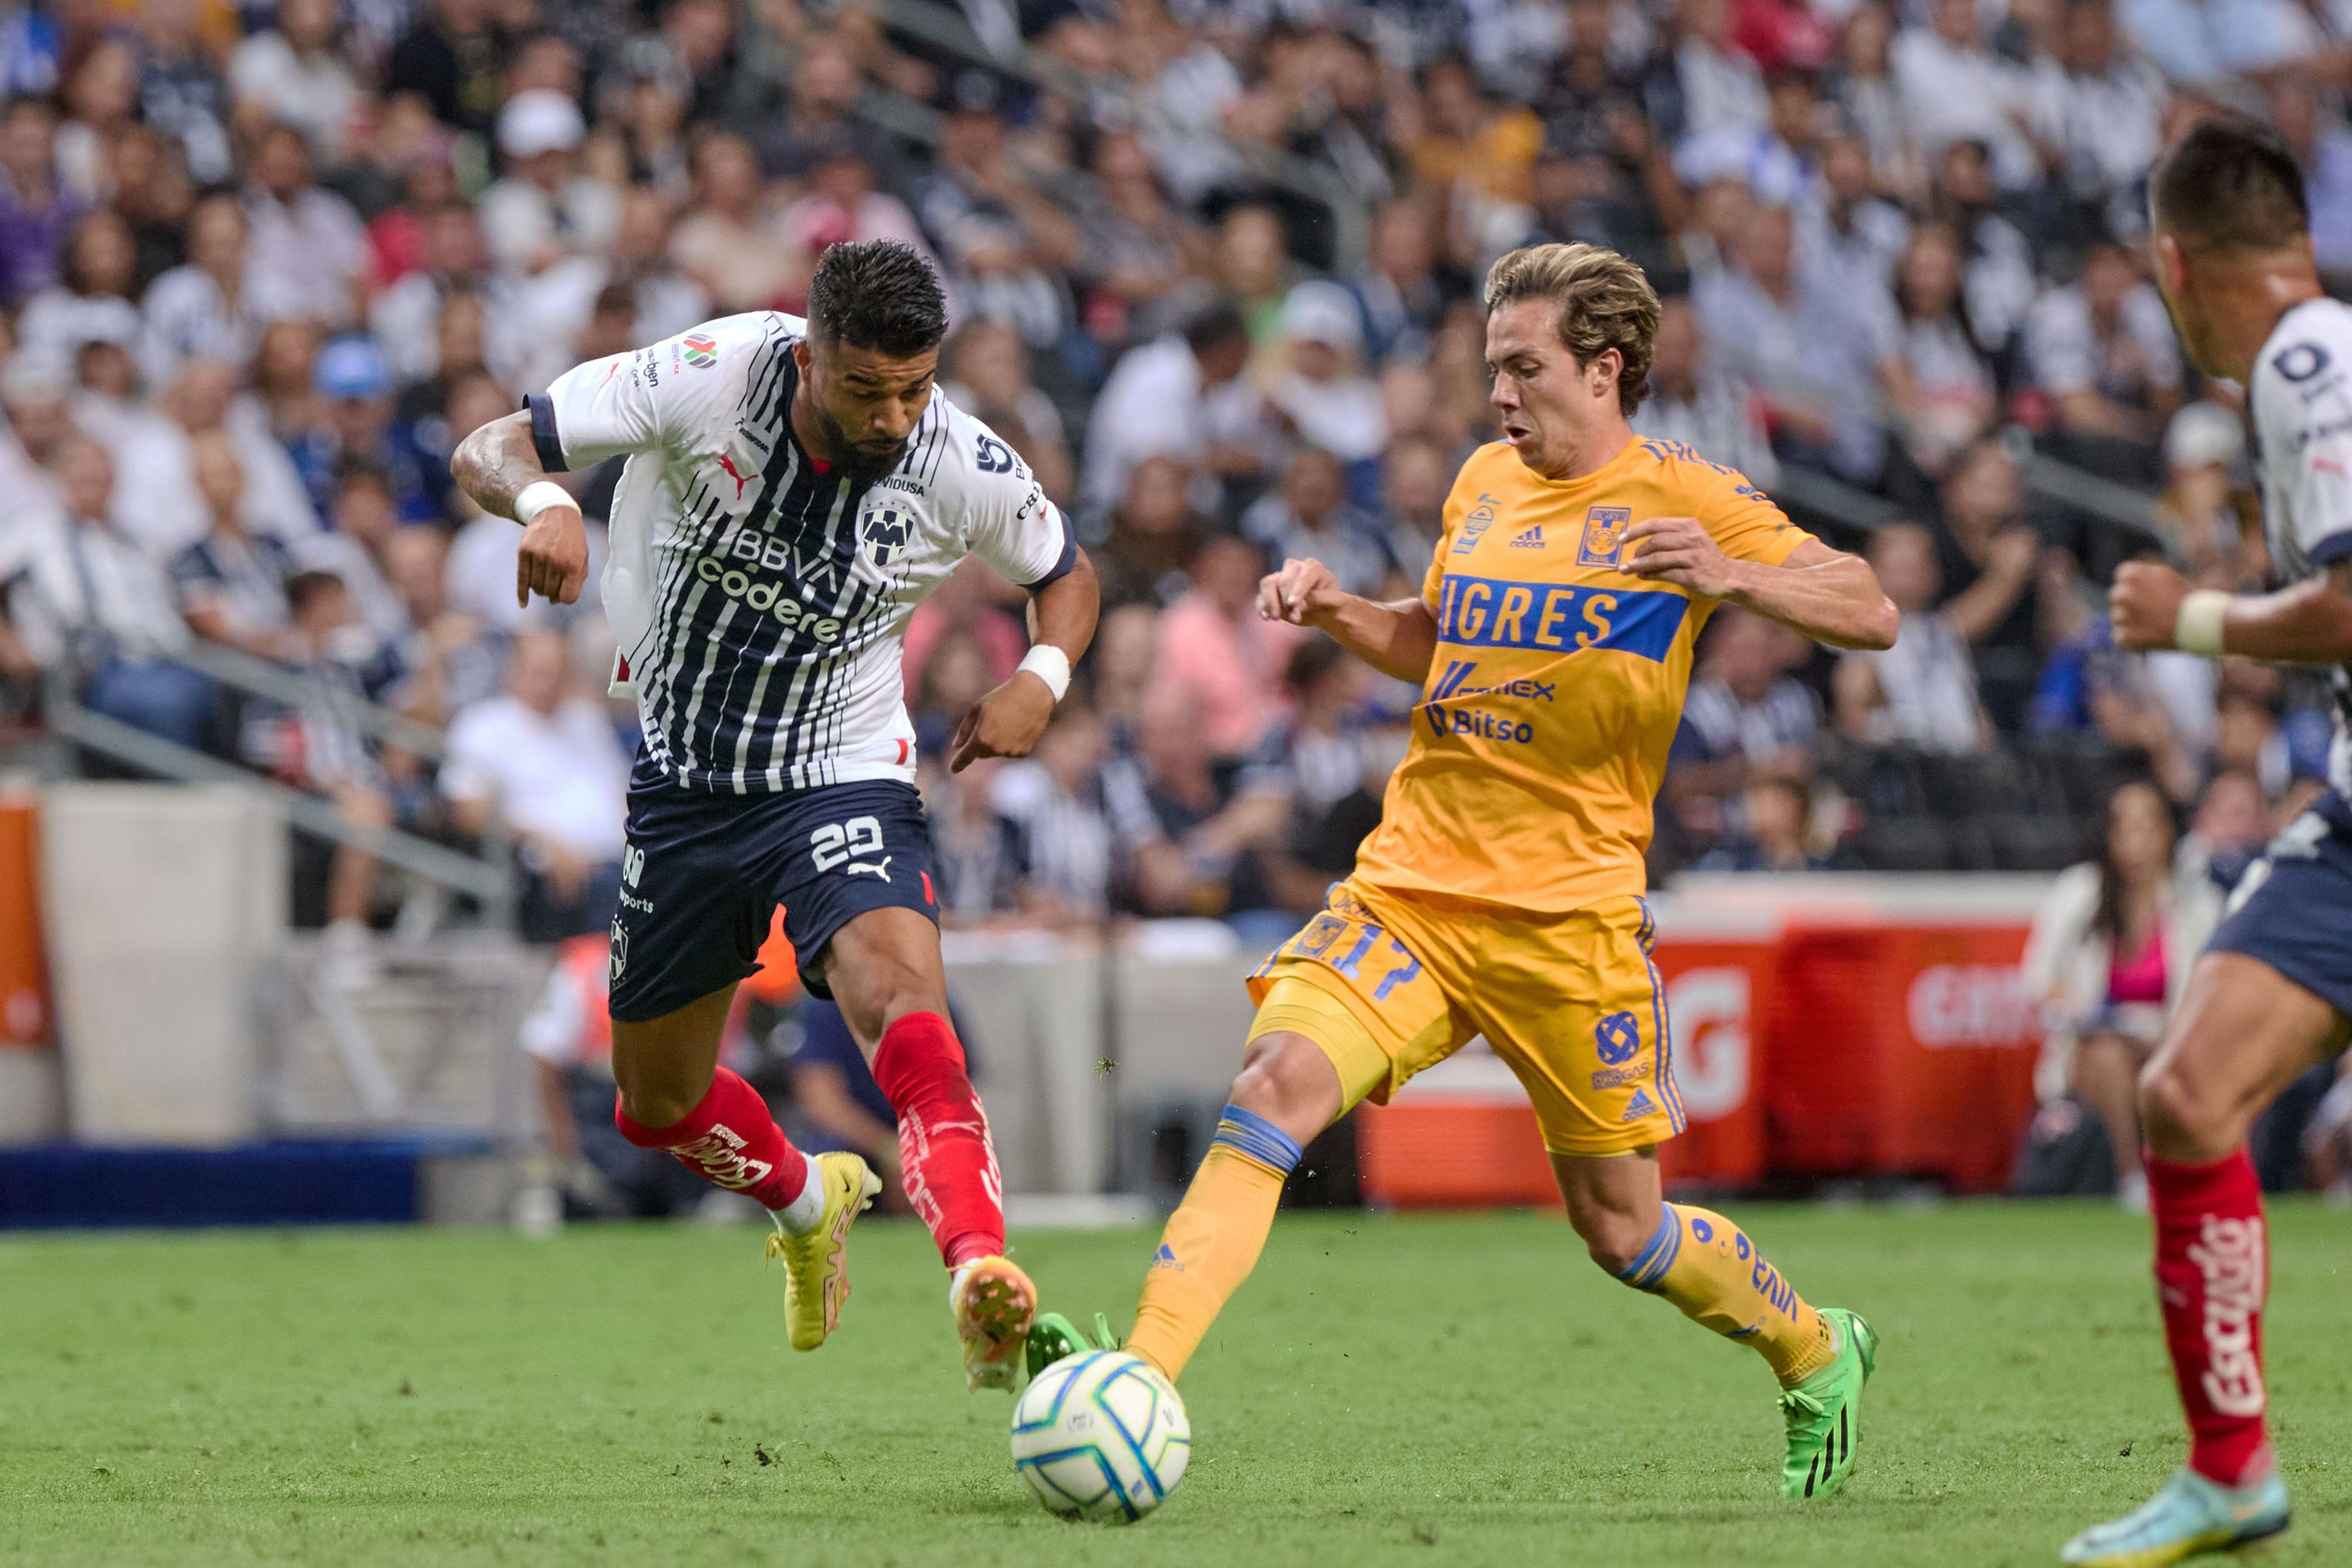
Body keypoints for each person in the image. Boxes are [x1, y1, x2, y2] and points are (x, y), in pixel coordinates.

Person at [1034, 242, 1897, 1501]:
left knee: (1621, 1229)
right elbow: (1438, 646)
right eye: (1491, 366)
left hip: (1568, 920)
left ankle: (1815, 1344)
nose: (1496, 392)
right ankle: (1144, 1372)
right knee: (1272, 1084)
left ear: (1603, 369)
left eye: (1521, 367)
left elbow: (1868, 605)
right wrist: (1339, 613)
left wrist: (1731, 574)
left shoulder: (1684, 498)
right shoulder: (1481, 481)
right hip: (1413, 889)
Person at [450, 239, 1098, 1389]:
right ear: (809, 358)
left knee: (899, 997)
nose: (896, 415)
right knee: (653, 1104)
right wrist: (547, 502)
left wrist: (1038, 679)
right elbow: (492, 443)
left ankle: (977, 1270)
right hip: (687, 784)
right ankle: (807, 1196)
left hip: (837, 770)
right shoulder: (713, 373)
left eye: (915, 386)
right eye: (866, 390)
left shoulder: (952, 454)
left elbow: (1064, 569)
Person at [2066, 116, 2352, 1566]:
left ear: (2176, 267)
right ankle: (2230, 1471)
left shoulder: (2308, 362)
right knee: (2182, 1097)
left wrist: (2189, 615)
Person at [2022, 780, 2222, 1212]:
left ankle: (2185, 1174)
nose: (2137, 842)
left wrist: (2166, 1033)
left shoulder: (2196, 904)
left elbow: (2213, 991)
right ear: (2110, 837)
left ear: (2168, 834)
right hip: (2094, 1050)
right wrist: (2081, 1007)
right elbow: (2040, 979)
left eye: (2147, 827)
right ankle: (2135, 1177)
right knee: (2108, 1053)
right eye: (2126, 828)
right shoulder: (2079, 894)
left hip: (2171, 1045)